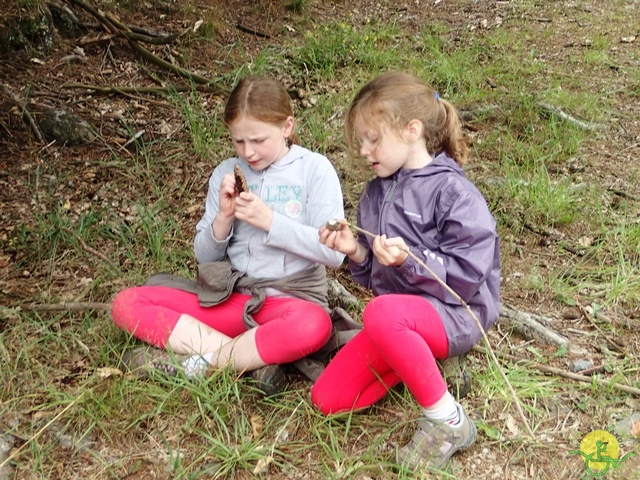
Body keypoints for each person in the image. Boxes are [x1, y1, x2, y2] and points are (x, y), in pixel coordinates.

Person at [111, 76, 346, 396]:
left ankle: (197, 365)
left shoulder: (315, 170)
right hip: (232, 298)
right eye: (238, 141)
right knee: (128, 302)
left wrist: (270, 222)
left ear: (287, 127)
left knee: (314, 326)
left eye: (259, 140)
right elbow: (205, 257)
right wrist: (222, 219)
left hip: (291, 304)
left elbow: (334, 254)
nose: (248, 152)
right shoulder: (226, 172)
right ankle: (251, 361)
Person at [313, 71, 500, 471]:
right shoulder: (375, 194)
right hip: (399, 321)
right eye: (361, 140)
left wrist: (412, 259)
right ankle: (418, 364)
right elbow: (376, 282)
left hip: (455, 316)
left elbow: (468, 278)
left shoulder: (453, 192)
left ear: (411, 130)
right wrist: (357, 254)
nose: (364, 150)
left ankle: (450, 420)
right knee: (328, 400)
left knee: (380, 313)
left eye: (373, 138)